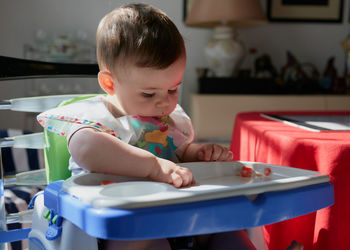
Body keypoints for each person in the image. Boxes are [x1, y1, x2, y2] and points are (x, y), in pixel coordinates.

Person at [37, 3, 259, 250]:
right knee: (146, 239)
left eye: (173, 89)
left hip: (177, 216)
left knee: (225, 228)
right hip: (118, 225)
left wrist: (199, 154)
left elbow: (179, 153)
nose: (165, 101)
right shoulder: (96, 118)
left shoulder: (168, 121)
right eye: (149, 93)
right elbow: (87, 149)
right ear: (110, 84)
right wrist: (152, 166)